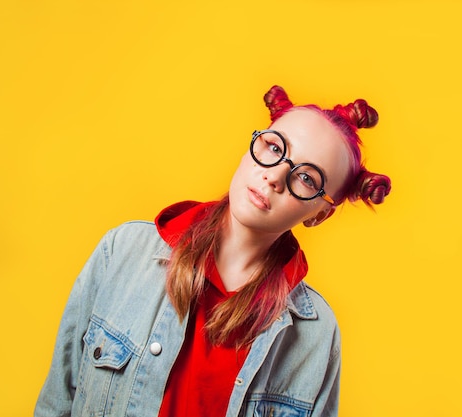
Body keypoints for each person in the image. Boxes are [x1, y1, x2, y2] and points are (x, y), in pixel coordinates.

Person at [34, 85, 391, 417]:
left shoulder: (315, 335)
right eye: (274, 148)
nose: (275, 177)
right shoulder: (123, 252)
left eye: (307, 178)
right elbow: (57, 402)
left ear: (319, 215)